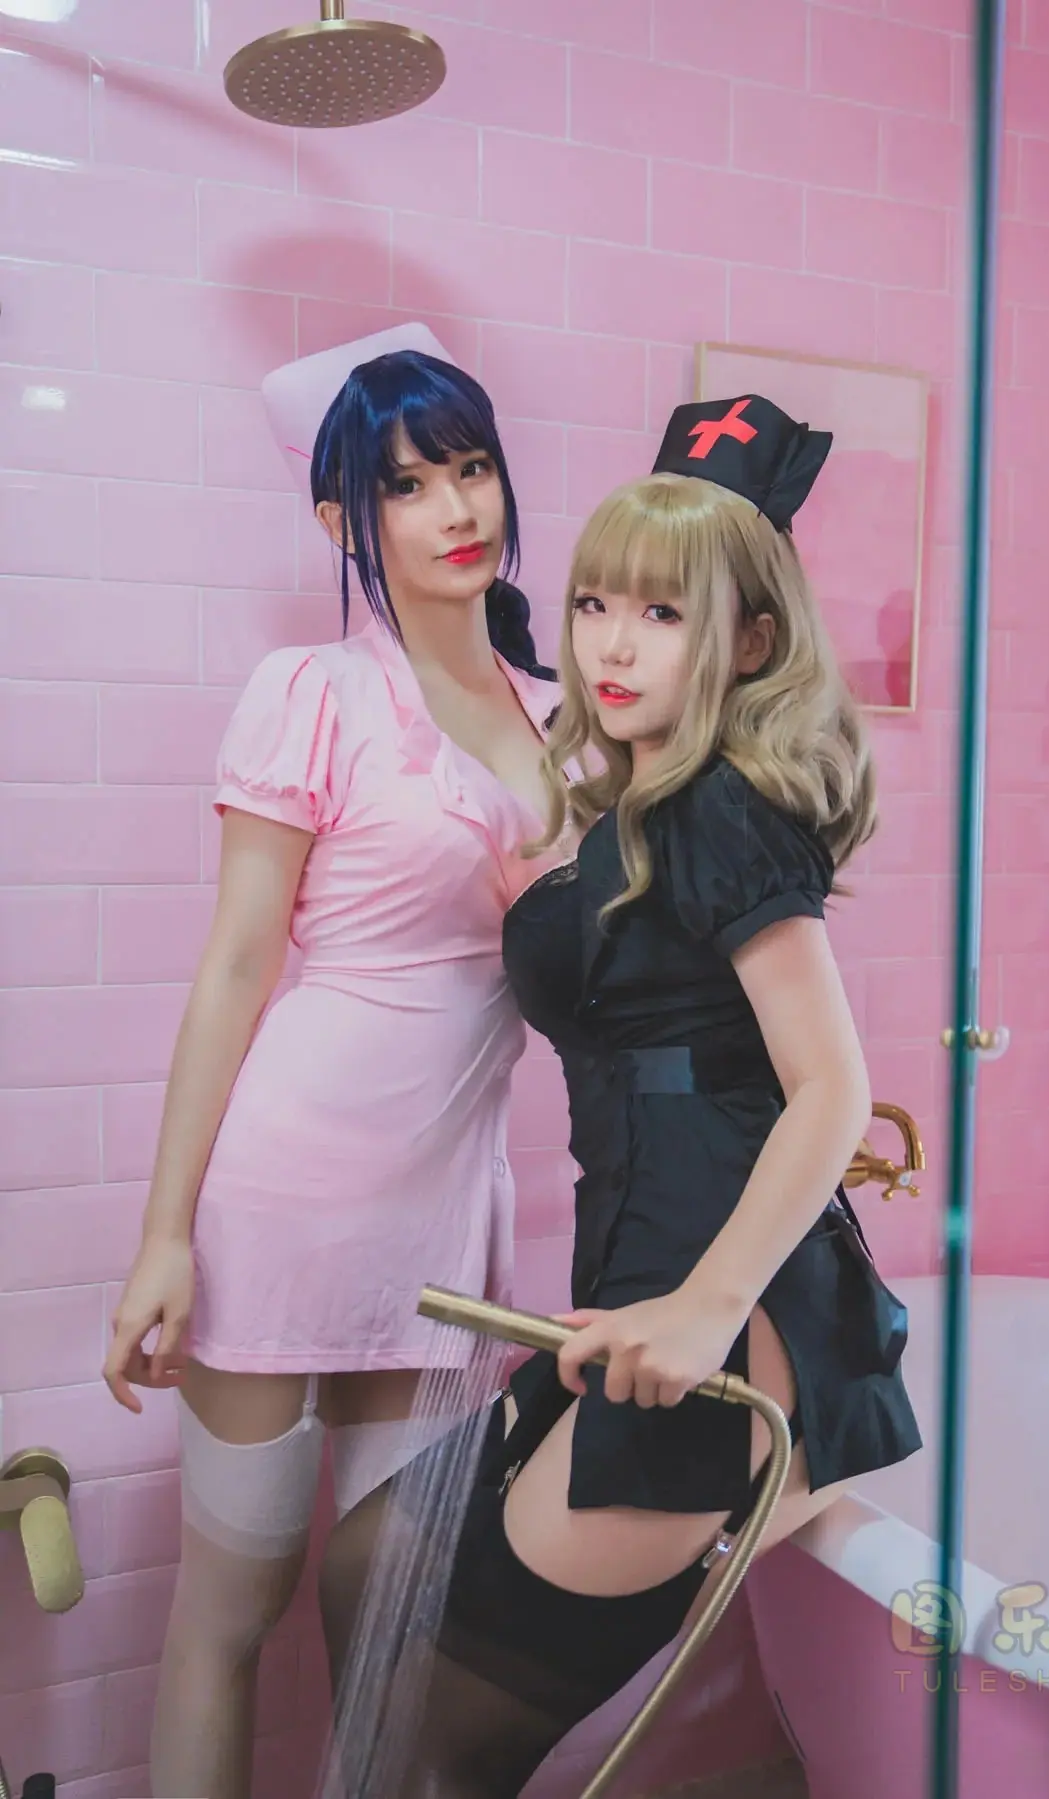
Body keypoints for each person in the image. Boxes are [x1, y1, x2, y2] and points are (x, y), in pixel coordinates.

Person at [367, 392, 924, 1798]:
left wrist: (705, 1305)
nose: (613, 644)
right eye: (597, 602)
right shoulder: (641, 806)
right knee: (368, 1556)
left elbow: (830, 1087)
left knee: (447, 1742)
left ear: (751, 642)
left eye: (665, 615)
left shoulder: (722, 808)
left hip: (726, 1307)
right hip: (646, 1278)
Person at [100, 323, 568, 1799]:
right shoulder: (313, 690)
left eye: (471, 468)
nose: (456, 509)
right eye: (408, 486)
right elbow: (238, 967)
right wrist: (164, 1235)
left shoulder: (565, 717)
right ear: (341, 521)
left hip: (446, 1221)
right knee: (231, 1608)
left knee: (390, 1624)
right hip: (285, 1199)